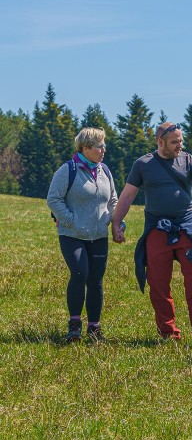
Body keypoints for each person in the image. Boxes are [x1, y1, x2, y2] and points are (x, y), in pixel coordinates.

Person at [111, 122, 192, 344]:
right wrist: (117, 222)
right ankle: (168, 333)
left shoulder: (189, 160)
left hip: (187, 228)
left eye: (181, 141)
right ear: (160, 141)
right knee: (158, 282)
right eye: (174, 142)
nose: (179, 146)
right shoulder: (143, 164)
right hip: (157, 229)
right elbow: (127, 196)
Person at [47, 127, 118, 342]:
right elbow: (53, 199)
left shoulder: (104, 170)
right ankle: (74, 325)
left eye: (104, 145)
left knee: (96, 280)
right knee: (80, 274)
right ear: (85, 148)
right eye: (99, 146)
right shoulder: (67, 170)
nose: (103, 149)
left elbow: (113, 199)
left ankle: (94, 328)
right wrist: (70, 221)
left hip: (98, 236)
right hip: (72, 235)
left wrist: (114, 220)